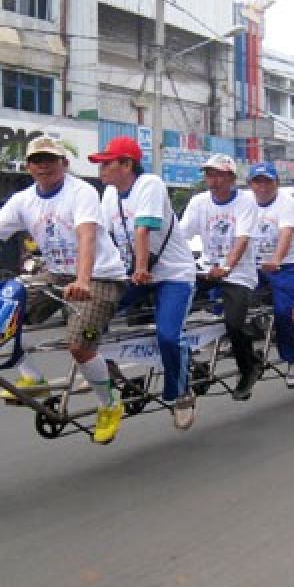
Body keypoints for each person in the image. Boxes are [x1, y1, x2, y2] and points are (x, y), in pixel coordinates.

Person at [0, 136, 128, 445]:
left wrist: (83, 279)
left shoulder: (81, 192)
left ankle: (109, 404)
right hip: (56, 275)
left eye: (49, 159)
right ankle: (34, 378)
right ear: (28, 166)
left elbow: (86, 236)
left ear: (64, 163)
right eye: (36, 160)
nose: (42, 165)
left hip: (99, 276)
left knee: (79, 346)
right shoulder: (23, 200)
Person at [93, 135, 199, 431]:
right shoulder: (110, 195)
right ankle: (108, 370)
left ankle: (181, 394)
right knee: (90, 313)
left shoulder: (149, 184)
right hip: (134, 274)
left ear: (127, 164)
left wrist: (140, 268)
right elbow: (102, 237)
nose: (101, 170)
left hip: (173, 275)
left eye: (107, 163)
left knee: (168, 336)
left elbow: (142, 231)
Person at [180, 153, 261, 400]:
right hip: (205, 268)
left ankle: (248, 369)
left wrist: (226, 267)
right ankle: (191, 365)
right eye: (208, 174)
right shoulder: (199, 202)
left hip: (238, 273)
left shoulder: (246, 202)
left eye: (218, 175)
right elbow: (181, 235)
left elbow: (242, 239)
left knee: (235, 324)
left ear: (231, 178)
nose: (212, 180)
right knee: (172, 310)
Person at [248, 162, 294, 388]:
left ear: (276, 184)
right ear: (250, 184)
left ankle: (293, 360)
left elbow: (286, 233)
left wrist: (276, 260)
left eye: (267, 182)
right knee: (225, 301)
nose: (262, 187)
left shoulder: (287, 203)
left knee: (286, 312)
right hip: (254, 265)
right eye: (257, 181)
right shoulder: (245, 202)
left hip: (287, 265)